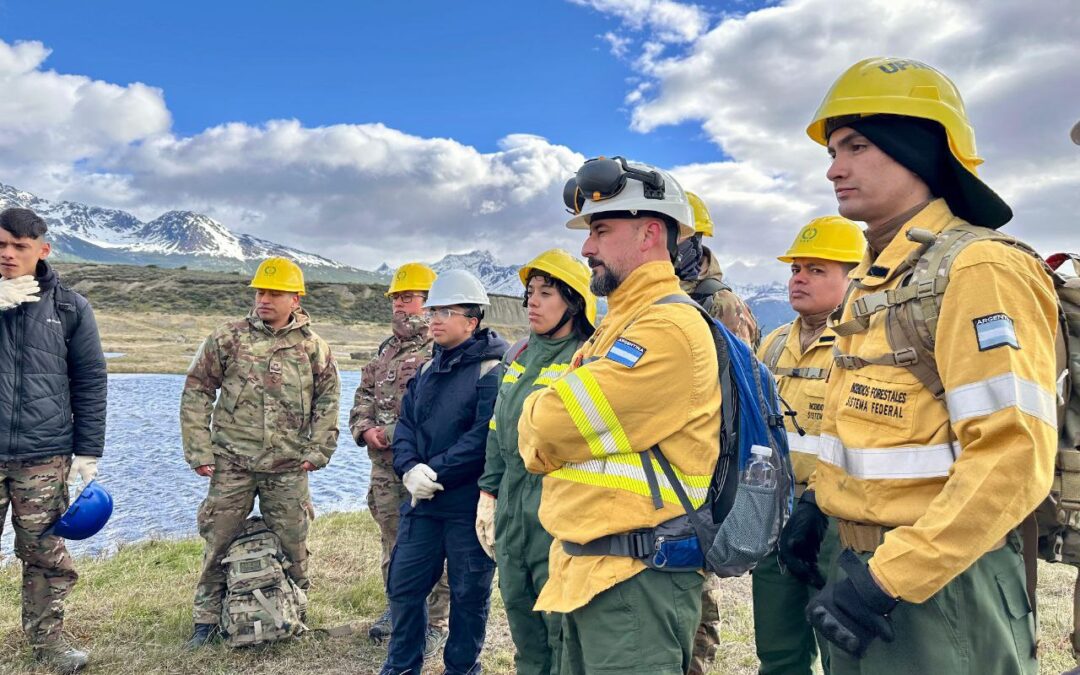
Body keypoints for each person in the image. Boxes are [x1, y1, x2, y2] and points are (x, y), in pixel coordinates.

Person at [779, 57, 1058, 673]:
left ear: (918, 150)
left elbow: (1013, 457)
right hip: (859, 572)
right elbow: (867, 427)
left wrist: (890, 578)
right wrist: (817, 508)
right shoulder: (875, 281)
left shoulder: (979, 267)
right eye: (833, 151)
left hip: (937, 585)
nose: (834, 168)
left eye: (856, 146)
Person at [520, 157, 720, 674]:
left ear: (651, 233)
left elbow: (546, 424)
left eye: (601, 231)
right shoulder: (622, 325)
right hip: (595, 572)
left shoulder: (667, 329)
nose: (586, 248)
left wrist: (544, 424)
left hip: (635, 584)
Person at [181, 256, 340, 648]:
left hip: (288, 467)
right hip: (232, 463)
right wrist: (200, 449)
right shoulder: (228, 338)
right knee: (220, 538)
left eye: (274, 293)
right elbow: (198, 390)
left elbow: (328, 401)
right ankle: (206, 620)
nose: (264, 299)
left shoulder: (313, 348)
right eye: (260, 292)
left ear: (296, 298)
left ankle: (294, 609)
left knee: (293, 541)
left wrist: (319, 450)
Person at [380, 269, 508, 675]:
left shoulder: (493, 370)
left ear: (471, 321)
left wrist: (431, 472)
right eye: (433, 310)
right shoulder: (426, 370)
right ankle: (401, 666)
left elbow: (482, 438)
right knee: (404, 586)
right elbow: (406, 427)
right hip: (422, 503)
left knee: (470, 594)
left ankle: (461, 667)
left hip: (467, 505)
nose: (433, 319)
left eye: (446, 311)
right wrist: (408, 469)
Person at [752, 215, 865, 675]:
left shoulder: (863, 344)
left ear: (852, 278)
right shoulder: (773, 345)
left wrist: (817, 504)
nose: (799, 278)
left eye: (816, 269)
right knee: (778, 649)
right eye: (796, 268)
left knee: (845, 651)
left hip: (838, 524)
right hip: (775, 514)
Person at [476, 249, 597, 675]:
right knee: (521, 621)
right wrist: (488, 493)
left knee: (561, 630)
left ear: (574, 303)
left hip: (556, 510)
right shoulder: (519, 355)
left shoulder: (588, 359)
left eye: (546, 293)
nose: (533, 302)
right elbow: (497, 427)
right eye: (530, 293)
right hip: (512, 508)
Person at [0, 207, 106, 673]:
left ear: (41, 250)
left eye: (19, 247)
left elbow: (90, 379)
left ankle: (48, 643)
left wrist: (89, 448)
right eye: (0, 245)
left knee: (44, 552)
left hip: (43, 456)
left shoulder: (69, 307)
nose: (7, 255)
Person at [349, 262, 451, 654]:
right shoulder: (385, 350)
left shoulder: (441, 348)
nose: (400, 306)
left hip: (424, 466)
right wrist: (364, 429)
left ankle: (437, 620)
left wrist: (389, 433)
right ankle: (400, 608)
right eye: (396, 298)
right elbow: (363, 397)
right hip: (384, 469)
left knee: (432, 542)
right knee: (393, 541)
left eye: (409, 298)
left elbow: (439, 411)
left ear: (430, 304)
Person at [678, 190, 760, 675]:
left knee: (695, 597)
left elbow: (739, 399)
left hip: (706, 474)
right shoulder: (663, 299)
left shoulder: (718, 304)